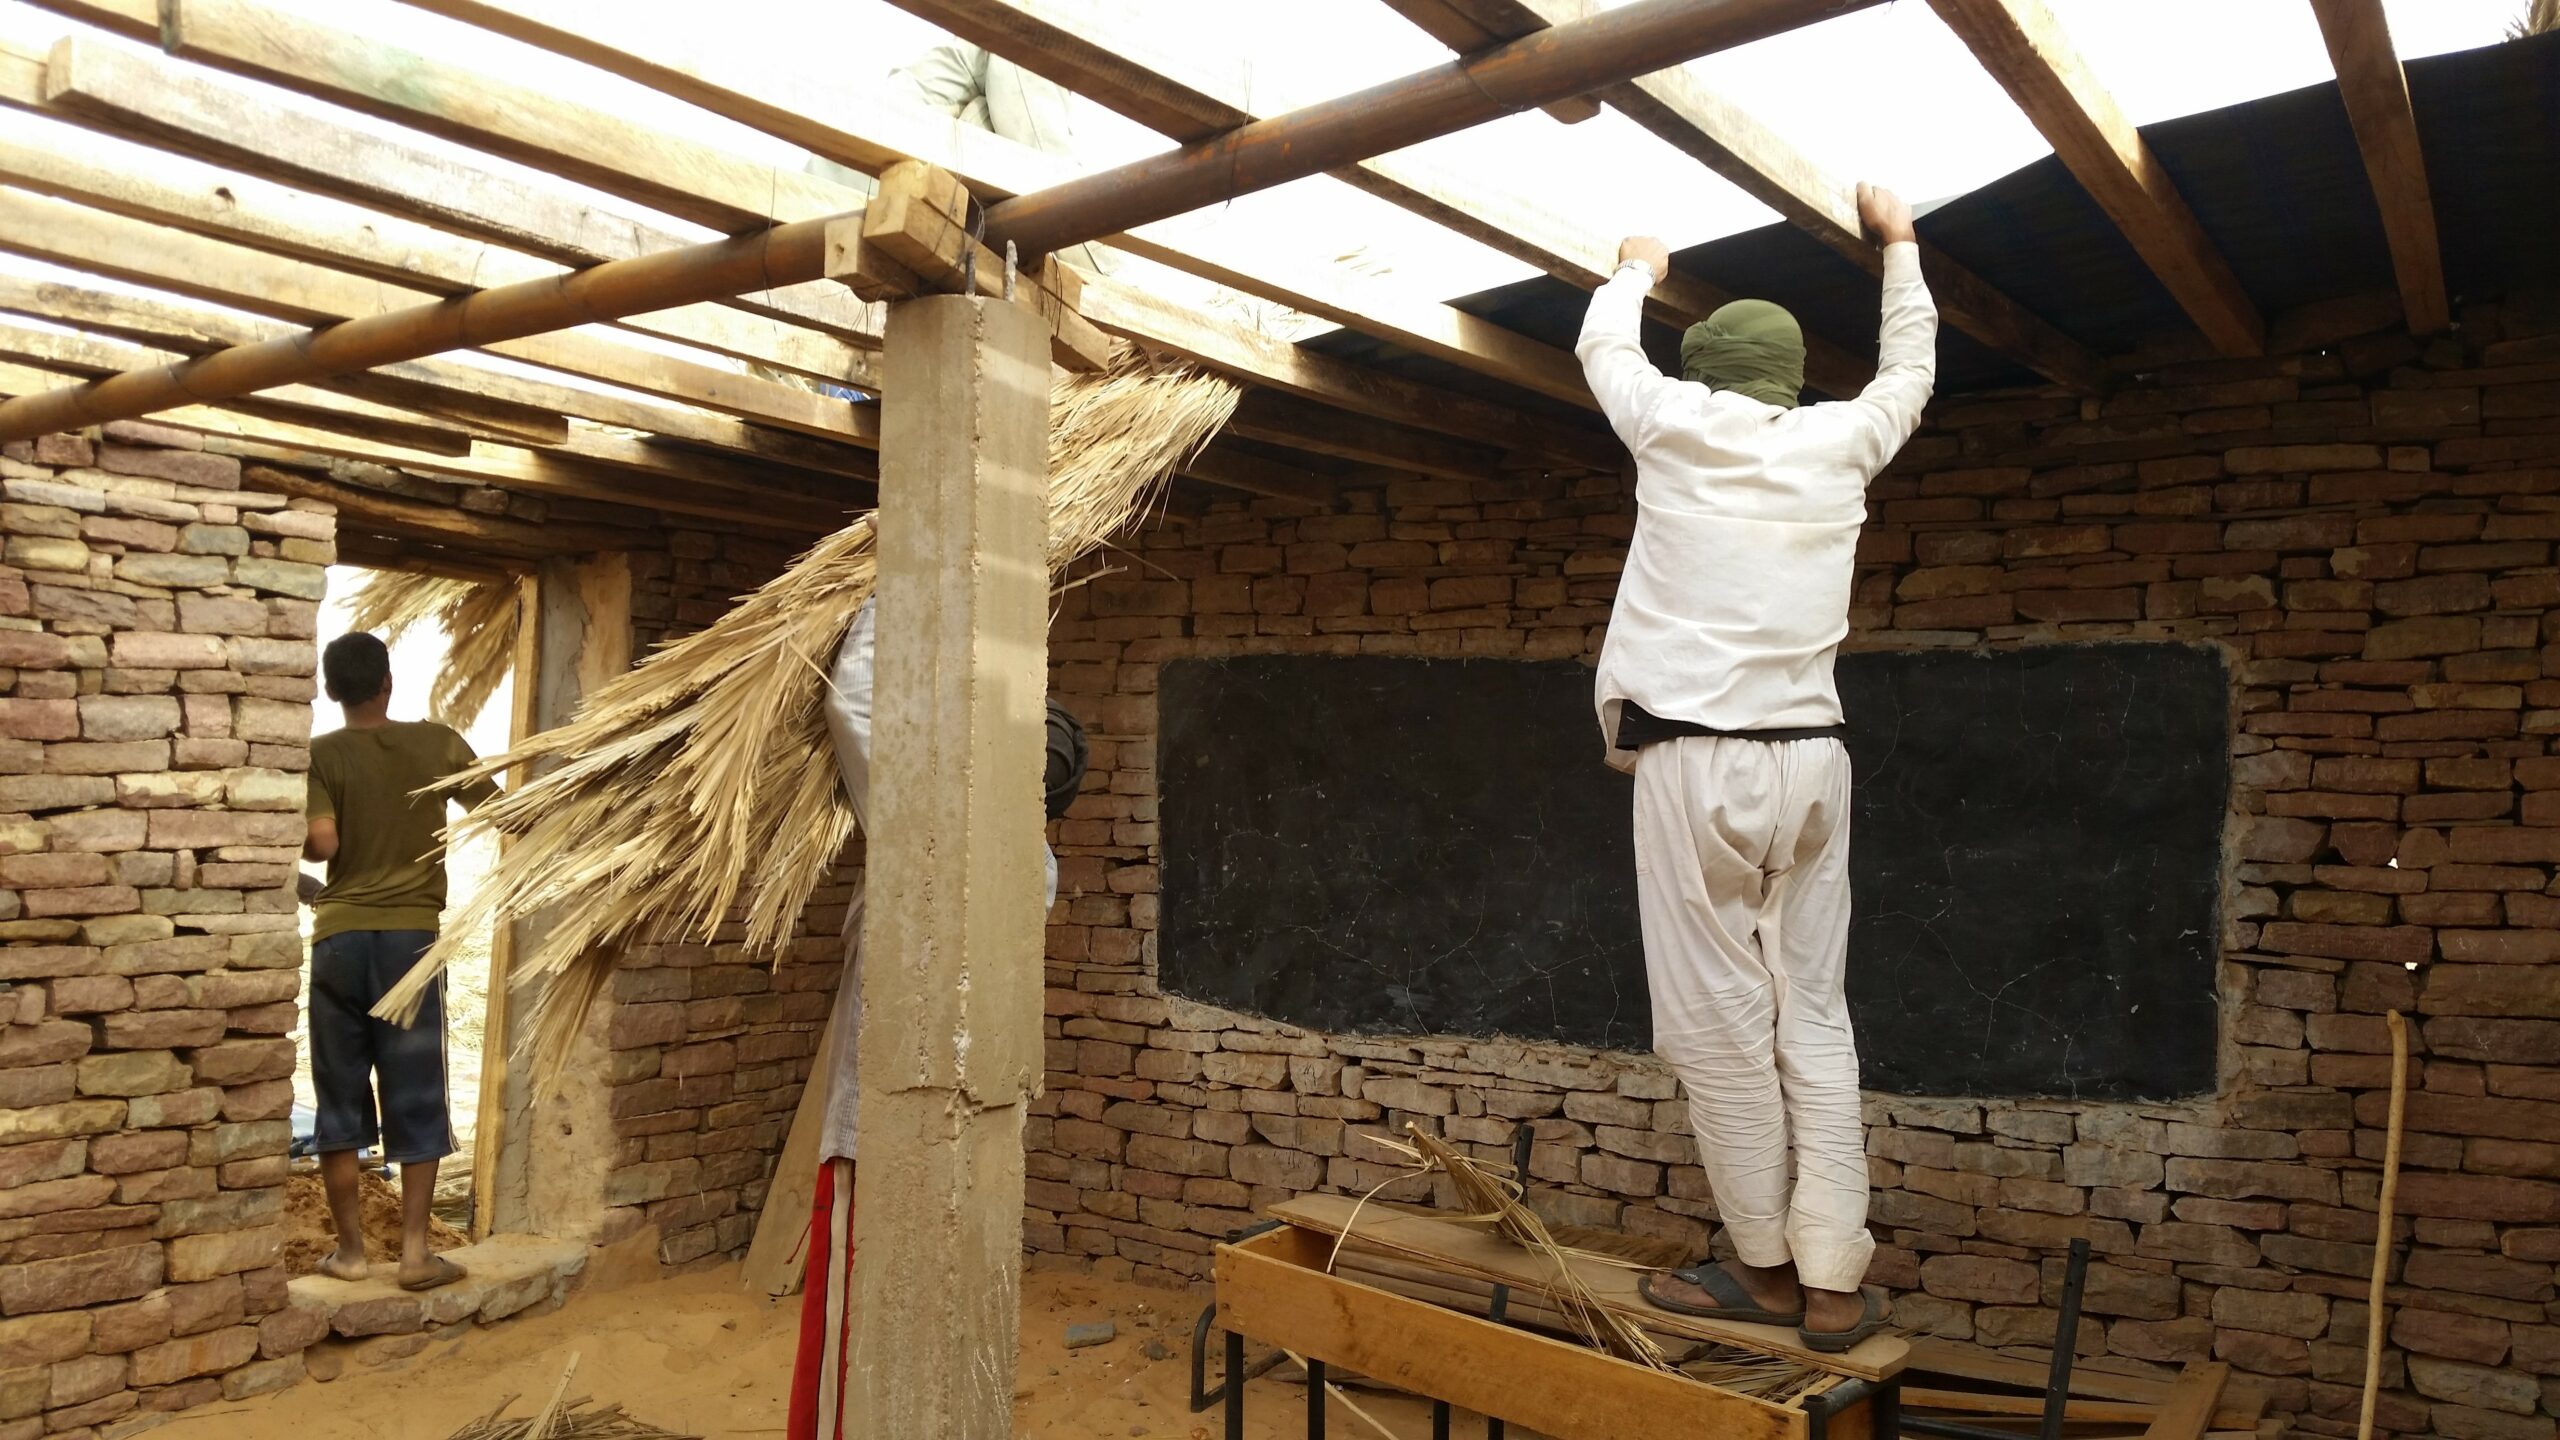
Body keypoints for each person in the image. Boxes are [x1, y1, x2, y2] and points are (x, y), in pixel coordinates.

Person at [1578, 184, 1936, 1352]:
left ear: (1705, 370)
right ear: (1789, 378)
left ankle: (1765, 1270)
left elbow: (1602, 347)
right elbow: (1909, 369)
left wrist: (1634, 267)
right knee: (1813, 1016)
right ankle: (1835, 1278)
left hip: (1699, 763)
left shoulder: (1673, 425)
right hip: (1814, 763)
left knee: (1717, 1025)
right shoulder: (1841, 444)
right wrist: (1899, 245)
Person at [785, 598, 1087, 1440]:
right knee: (936, 1348)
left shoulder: (931, 832)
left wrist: (899, 586)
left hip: (881, 1133)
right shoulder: (1037, 870)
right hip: (971, 1149)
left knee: (855, 1345)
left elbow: (853, 702)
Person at [301, 632, 499, 1291]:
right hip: (410, 945)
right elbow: (503, 812)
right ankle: (416, 1255)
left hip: (338, 942)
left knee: (338, 1095)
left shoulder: (320, 755)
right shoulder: (438, 744)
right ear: (387, 683)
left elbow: (323, 843)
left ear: (332, 690)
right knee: (415, 1093)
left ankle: (351, 1254)